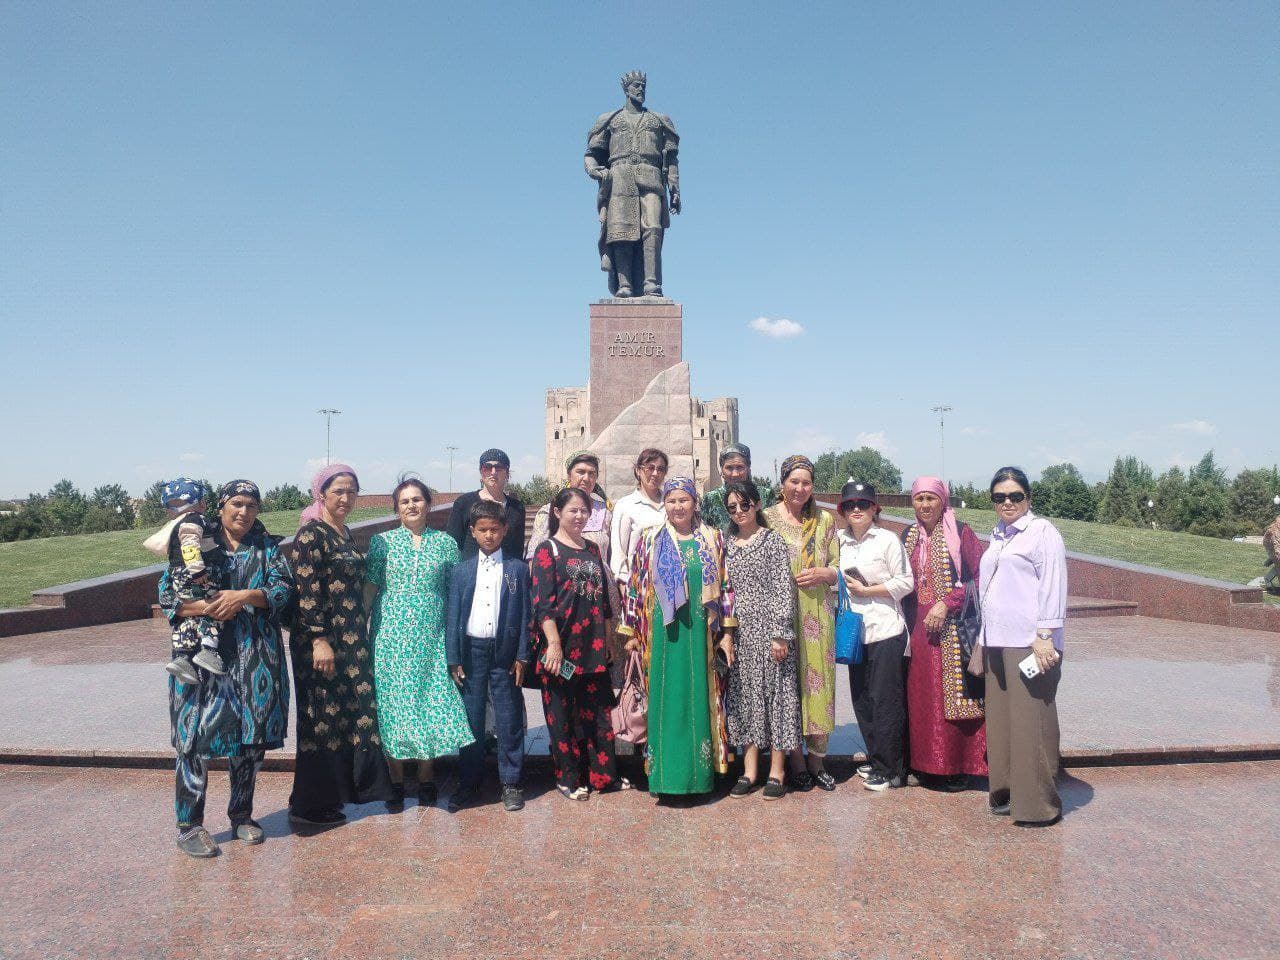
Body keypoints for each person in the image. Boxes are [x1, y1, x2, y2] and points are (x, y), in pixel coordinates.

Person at [160, 480, 292, 858]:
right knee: (193, 740)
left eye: (251, 505)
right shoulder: (196, 541)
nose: (243, 512)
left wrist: (243, 596)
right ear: (220, 506)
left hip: (255, 658)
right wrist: (212, 607)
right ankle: (189, 825)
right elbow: (168, 595)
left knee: (250, 742)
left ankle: (241, 815)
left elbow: (283, 590)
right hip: (202, 660)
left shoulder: (266, 548)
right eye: (236, 503)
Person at [288, 464, 395, 824]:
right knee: (320, 719)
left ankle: (335, 796)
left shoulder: (344, 532)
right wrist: (319, 639)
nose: (346, 498)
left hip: (351, 639)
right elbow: (306, 591)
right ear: (321, 494)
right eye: (338, 491)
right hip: (319, 642)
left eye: (352, 491)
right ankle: (307, 806)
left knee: (348, 716)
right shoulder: (310, 535)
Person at [619, 477, 736, 798]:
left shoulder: (712, 539)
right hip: (661, 636)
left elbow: (725, 586)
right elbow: (635, 584)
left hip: (700, 636)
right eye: (671, 501)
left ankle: (697, 778)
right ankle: (664, 778)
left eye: (684, 500)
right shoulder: (650, 538)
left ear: (694, 503)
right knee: (665, 699)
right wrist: (630, 632)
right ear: (664, 505)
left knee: (697, 697)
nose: (678, 507)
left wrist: (726, 631)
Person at [366, 476, 474, 808]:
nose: (412, 505)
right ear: (396, 508)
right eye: (404, 501)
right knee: (394, 708)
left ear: (428, 503)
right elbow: (370, 588)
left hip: (432, 638)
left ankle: (427, 780)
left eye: (417, 499)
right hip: (390, 638)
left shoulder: (445, 543)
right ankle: (396, 784)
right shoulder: (381, 542)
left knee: (429, 704)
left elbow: (454, 592)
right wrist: (357, 628)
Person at [979, 466, 1067, 826]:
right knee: (1001, 723)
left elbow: (1053, 582)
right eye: (999, 497)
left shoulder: (1041, 532)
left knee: (1031, 722)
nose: (1007, 502)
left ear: (1028, 498)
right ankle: (1005, 793)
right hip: (996, 641)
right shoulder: (998, 536)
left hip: (1030, 643)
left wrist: (1046, 634)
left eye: (1015, 495)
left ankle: (1036, 804)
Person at [529, 487, 621, 799]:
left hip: (593, 648)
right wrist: (553, 644)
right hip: (563, 651)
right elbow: (543, 604)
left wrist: (608, 638)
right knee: (563, 715)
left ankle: (602, 776)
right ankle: (568, 778)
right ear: (557, 512)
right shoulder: (547, 550)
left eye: (584, 511)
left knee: (597, 715)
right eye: (573, 511)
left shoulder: (593, 549)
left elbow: (605, 603)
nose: (579, 516)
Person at [900, 476, 988, 790]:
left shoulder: (961, 532)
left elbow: (979, 577)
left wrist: (946, 603)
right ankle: (923, 765)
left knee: (952, 696)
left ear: (943, 501)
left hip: (952, 630)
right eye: (919, 499)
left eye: (931, 499)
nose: (925, 505)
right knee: (921, 696)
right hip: (917, 630)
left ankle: (955, 766)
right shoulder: (908, 535)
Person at [446, 499, 532, 813]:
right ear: (472, 531)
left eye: (495, 529)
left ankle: (510, 781)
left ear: (505, 530)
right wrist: (453, 657)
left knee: (508, 717)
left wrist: (522, 656)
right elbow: (453, 614)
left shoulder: (517, 570)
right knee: (471, 718)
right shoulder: (461, 571)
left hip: (505, 653)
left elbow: (525, 616)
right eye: (482, 530)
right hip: (471, 651)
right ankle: (469, 782)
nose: (489, 536)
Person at [762, 455, 839, 791]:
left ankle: (817, 761)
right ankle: (794, 760)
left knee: (817, 686)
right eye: (794, 481)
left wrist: (827, 572)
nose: (799, 488)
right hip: (780, 616)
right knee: (787, 688)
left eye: (806, 482)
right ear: (782, 484)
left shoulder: (824, 520)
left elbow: (839, 565)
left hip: (817, 616)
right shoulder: (766, 519)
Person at [722, 480, 798, 801]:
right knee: (746, 698)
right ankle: (750, 769)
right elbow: (724, 592)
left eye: (745, 505)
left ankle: (777, 770)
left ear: (756, 504)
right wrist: (725, 633)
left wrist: (781, 633)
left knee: (777, 697)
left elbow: (784, 588)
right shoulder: (725, 545)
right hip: (741, 633)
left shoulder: (772, 542)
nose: (739, 512)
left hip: (771, 632)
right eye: (732, 508)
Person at [836, 482, 914, 792]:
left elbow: (906, 582)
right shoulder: (839, 542)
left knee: (886, 702)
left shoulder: (887, 540)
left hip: (885, 629)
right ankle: (876, 757)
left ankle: (892, 770)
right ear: (843, 510)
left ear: (874, 509)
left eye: (864, 504)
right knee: (863, 699)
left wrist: (869, 590)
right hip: (856, 630)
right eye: (851, 504)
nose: (857, 509)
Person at [585, 70, 680, 298]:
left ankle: (651, 283)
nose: (641, 90)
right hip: (619, 177)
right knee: (621, 232)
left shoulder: (659, 120)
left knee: (653, 228)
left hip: (651, 176)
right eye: (636, 86)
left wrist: (675, 188)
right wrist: (592, 169)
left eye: (643, 86)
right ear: (626, 90)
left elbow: (672, 158)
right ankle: (624, 284)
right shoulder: (610, 119)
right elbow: (592, 153)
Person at [146, 478, 225, 682]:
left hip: (178, 575)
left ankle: (183, 657)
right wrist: (198, 571)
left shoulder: (177, 523)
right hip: (192, 574)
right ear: (198, 503)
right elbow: (189, 546)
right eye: (203, 501)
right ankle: (209, 649)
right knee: (214, 606)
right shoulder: (192, 520)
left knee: (188, 616)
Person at [527, 451, 613, 566]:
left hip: (599, 581)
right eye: (581, 472)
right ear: (569, 475)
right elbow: (535, 558)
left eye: (592, 473)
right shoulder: (549, 511)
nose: (586, 478)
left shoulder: (605, 513)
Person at [446, 448, 527, 559]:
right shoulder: (464, 503)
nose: (493, 472)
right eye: (487, 468)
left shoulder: (517, 508)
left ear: (507, 473)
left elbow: (517, 549)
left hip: (505, 572)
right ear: (481, 472)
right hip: (471, 573)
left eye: (498, 467)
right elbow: (452, 544)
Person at [609, 447, 668, 588]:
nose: (655, 473)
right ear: (638, 471)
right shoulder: (626, 505)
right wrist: (624, 586)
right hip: (638, 585)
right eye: (650, 468)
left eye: (660, 469)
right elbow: (618, 552)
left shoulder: (670, 502)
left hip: (669, 583)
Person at [700, 443, 776, 533]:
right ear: (722, 470)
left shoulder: (765, 495)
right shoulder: (711, 498)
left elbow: (773, 528)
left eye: (740, 467)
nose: (735, 474)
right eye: (729, 468)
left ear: (748, 468)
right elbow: (705, 532)